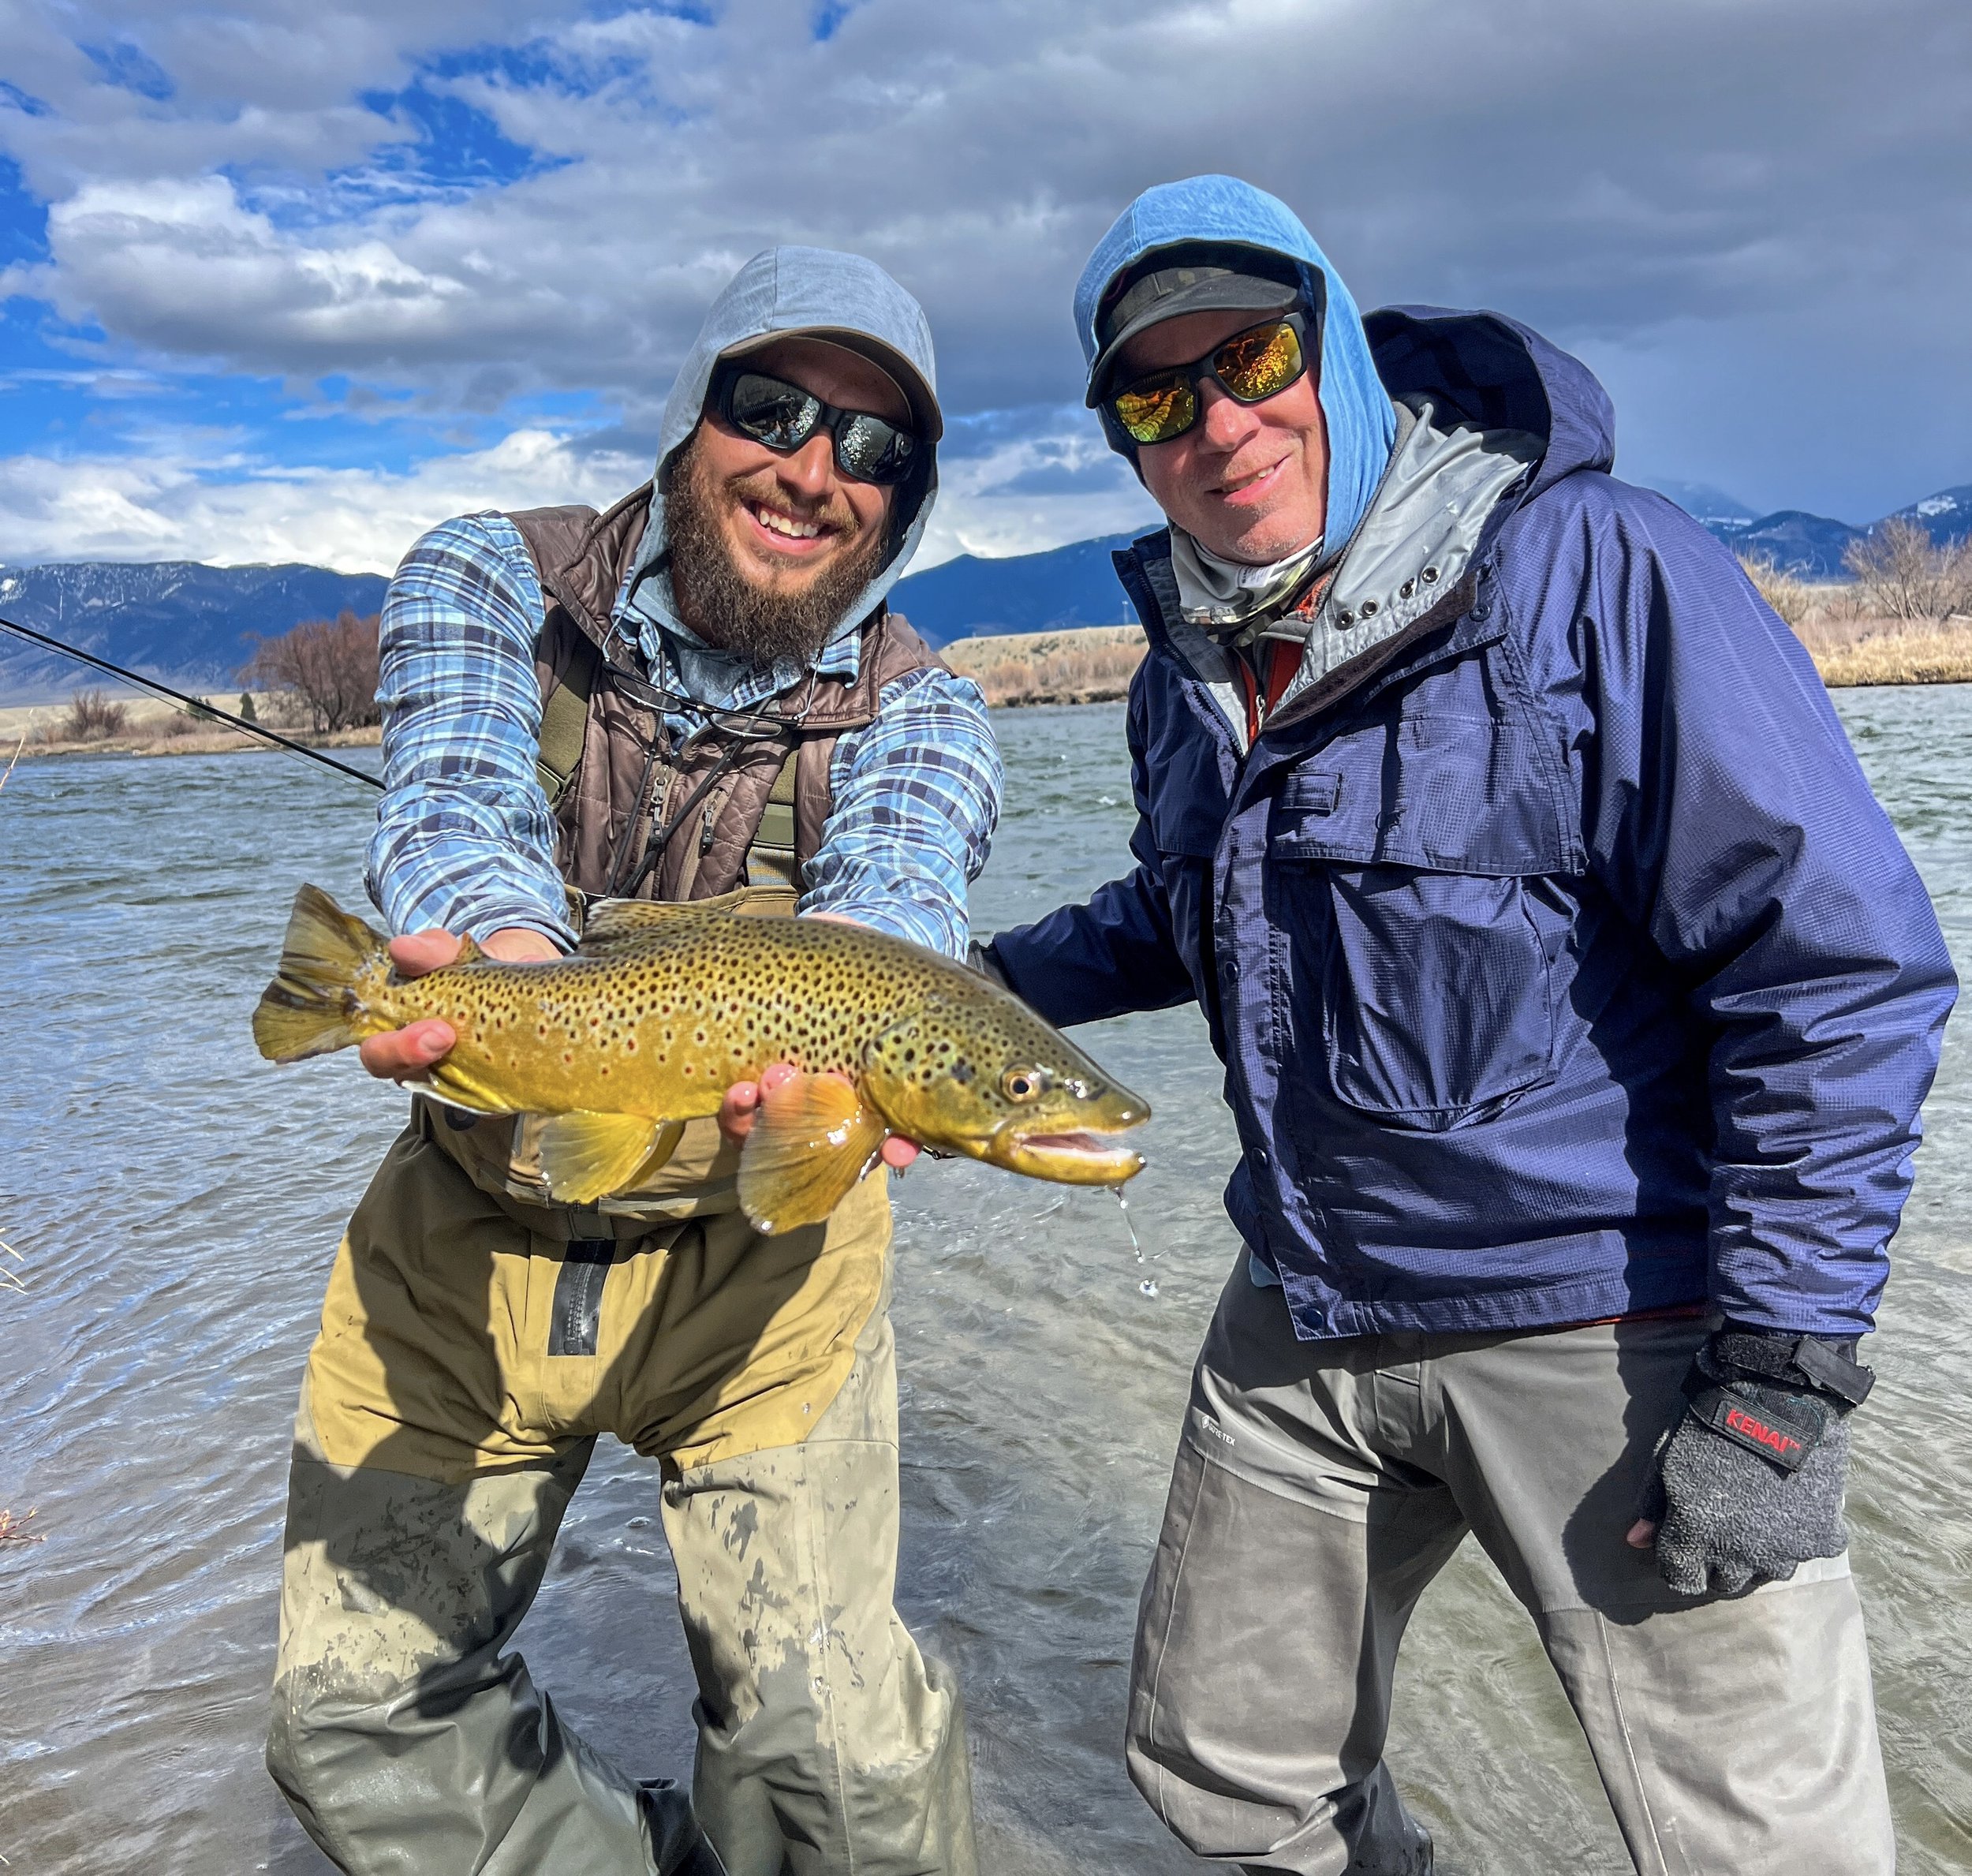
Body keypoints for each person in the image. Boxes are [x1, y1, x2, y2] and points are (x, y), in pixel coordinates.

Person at [973, 178, 1953, 1874]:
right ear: (1121, 437)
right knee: (1220, 1767)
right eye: (1153, 391)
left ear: (1335, 343)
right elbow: (1192, 914)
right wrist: (957, 986)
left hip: (1607, 1319)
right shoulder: (1178, 672)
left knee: (1760, 1849)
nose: (1215, 418)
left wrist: (1779, 1377)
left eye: (1248, 353)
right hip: (1302, 1304)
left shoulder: (1595, 563)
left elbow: (1834, 971)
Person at [266, 246, 1000, 1876]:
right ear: (689, 419)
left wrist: (858, 1077)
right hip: (464, 1243)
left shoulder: (926, 715)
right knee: (351, 1721)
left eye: (873, 447)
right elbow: (455, 804)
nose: (815, 469)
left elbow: (893, 919)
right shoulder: (486, 575)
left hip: (761, 1268)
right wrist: (508, 983)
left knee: (839, 1772)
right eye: (772, 407)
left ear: (907, 496)